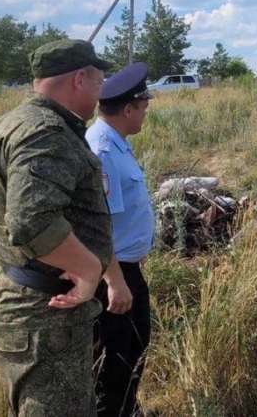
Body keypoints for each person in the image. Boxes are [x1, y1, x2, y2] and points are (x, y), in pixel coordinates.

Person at [0, 39, 114, 417]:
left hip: (25, 296)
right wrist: (88, 269)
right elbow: (32, 220)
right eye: (98, 84)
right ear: (80, 79)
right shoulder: (47, 133)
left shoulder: (11, 121)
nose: (99, 94)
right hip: (44, 313)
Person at [85, 62, 155, 417]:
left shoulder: (117, 144)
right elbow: (97, 227)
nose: (145, 116)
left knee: (134, 349)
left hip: (125, 268)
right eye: (143, 109)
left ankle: (129, 410)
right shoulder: (102, 151)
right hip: (111, 277)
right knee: (113, 363)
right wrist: (114, 279)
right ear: (128, 110)